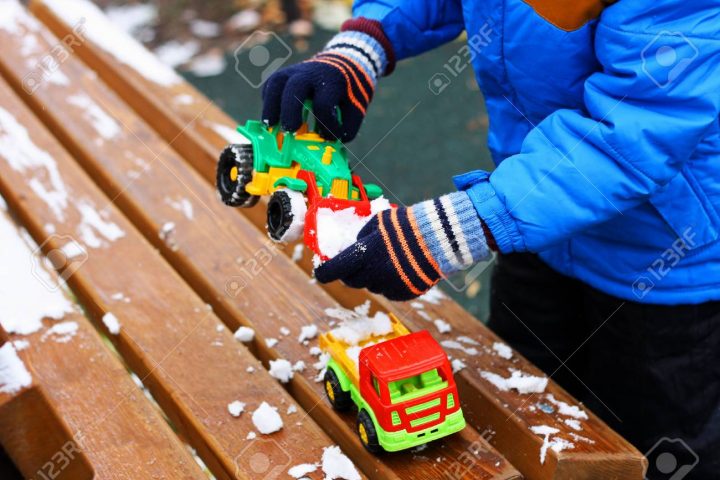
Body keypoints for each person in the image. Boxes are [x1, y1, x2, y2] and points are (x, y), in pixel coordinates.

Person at [260, 0, 720, 476]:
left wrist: (461, 227)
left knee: (660, 446)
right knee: (517, 400)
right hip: (536, 230)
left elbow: (635, 129)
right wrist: (365, 41)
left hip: (662, 262)